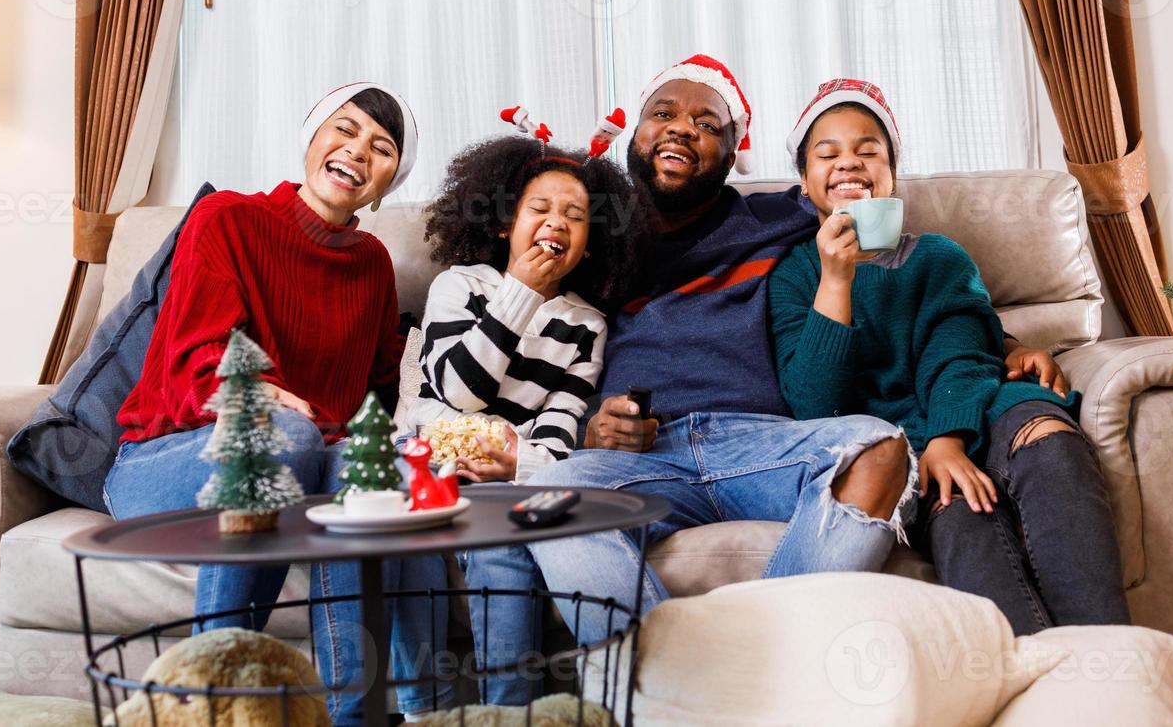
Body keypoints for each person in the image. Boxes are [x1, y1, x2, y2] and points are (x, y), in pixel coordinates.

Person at [467, 55, 920, 703]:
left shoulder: (773, 219)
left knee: (880, 448)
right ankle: (690, 701)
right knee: (552, 493)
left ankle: (748, 679)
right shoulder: (587, 236)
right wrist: (592, 422)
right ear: (635, 133)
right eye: (663, 113)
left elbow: (861, 201)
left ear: (735, 150)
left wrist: (1006, 339)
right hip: (643, 456)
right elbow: (516, 334)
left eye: (707, 123)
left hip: (761, 445)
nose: (681, 129)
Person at [104, 83, 445, 725]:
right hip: (165, 460)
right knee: (283, 439)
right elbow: (192, 357)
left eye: (380, 149)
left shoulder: (371, 264)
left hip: (301, 459)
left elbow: (376, 390)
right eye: (343, 131)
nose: (356, 152)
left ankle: (355, 713)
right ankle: (214, 699)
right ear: (311, 138)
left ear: (384, 185)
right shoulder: (228, 219)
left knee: (363, 473)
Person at [767, 78, 1130, 635]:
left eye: (870, 151)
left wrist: (949, 436)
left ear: (892, 174)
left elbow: (959, 350)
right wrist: (836, 280)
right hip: (904, 450)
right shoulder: (793, 276)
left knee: (1050, 446)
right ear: (804, 180)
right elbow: (816, 404)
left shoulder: (935, 255)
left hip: (980, 403)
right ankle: (1042, 690)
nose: (850, 164)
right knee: (963, 517)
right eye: (828, 154)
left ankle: (1115, 667)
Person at [399, 134, 652, 482]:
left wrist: (525, 467)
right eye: (539, 208)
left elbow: (560, 419)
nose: (557, 222)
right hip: (426, 451)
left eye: (575, 216)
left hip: (511, 467)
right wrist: (521, 290)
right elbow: (461, 393)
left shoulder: (587, 326)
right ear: (506, 225)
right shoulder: (458, 286)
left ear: (590, 245)